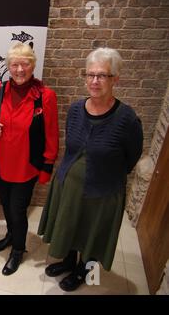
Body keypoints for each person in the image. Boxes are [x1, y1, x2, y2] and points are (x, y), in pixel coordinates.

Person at [38, 47, 143, 292]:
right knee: (70, 225)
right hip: (69, 186)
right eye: (90, 74)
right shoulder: (76, 109)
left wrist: (104, 173)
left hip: (103, 192)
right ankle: (68, 260)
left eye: (102, 75)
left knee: (92, 233)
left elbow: (132, 156)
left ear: (116, 79)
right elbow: (71, 145)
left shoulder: (127, 119)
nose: (95, 81)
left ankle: (84, 270)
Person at [0, 43, 59, 275]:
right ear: (8, 66)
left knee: (18, 209)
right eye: (15, 64)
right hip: (1, 161)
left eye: (25, 64)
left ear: (33, 65)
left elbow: (51, 134)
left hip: (26, 165)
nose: (19, 69)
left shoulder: (45, 96)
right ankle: (11, 234)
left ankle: (18, 249)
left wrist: (47, 166)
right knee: (6, 204)